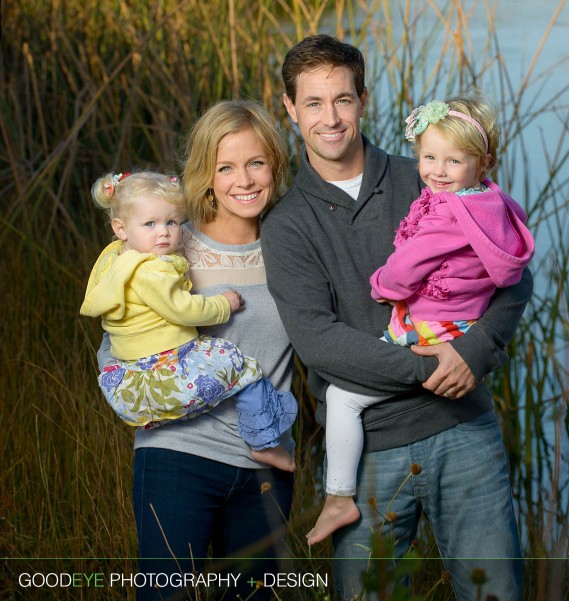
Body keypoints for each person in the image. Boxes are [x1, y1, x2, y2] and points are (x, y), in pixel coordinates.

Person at [262, 34, 531, 600]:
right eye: (312, 103)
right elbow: (318, 341)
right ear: (289, 109)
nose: (330, 118)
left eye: (342, 99)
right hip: (368, 451)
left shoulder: (431, 172)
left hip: (465, 433)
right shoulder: (287, 225)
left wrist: (475, 353)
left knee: (494, 593)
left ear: (363, 98)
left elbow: (512, 271)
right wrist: (429, 365)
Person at [306, 95, 535, 547]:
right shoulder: (490, 202)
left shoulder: (447, 209)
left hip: (433, 335)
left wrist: (379, 285)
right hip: (458, 327)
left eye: (453, 160)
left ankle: (337, 498)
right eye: (429, 157)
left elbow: (404, 270)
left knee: (342, 398)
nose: (437, 170)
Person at [94, 99, 296, 601]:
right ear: (206, 175)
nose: (243, 180)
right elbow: (117, 342)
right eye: (225, 167)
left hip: (267, 468)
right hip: (177, 457)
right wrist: (146, 397)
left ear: (275, 164)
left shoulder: (294, 248)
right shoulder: (167, 243)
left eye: (256, 163)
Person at [81, 170, 298, 473]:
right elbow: (183, 310)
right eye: (150, 224)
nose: (164, 233)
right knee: (243, 369)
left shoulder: (115, 261)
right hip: (171, 356)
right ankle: (264, 442)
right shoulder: (153, 270)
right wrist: (224, 304)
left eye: (171, 222)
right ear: (121, 228)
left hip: (135, 365)